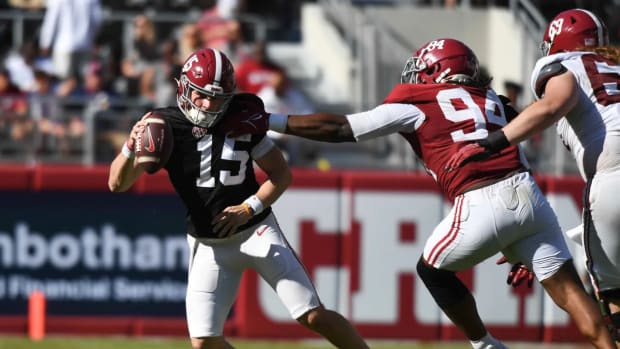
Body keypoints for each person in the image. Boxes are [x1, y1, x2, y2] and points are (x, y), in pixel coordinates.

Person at [226, 38, 616, 349]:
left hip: (481, 199)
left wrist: (271, 121)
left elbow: (343, 128)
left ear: (435, 70)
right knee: (583, 310)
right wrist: (519, 237)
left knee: (432, 271)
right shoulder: (494, 100)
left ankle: (484, 344)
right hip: (530, 197)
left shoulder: (418, 100)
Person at [107, 47, 369, 349]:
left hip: (256, 230)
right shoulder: (163, 125)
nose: (208, 104)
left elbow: (281, 175)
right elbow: (117, 183)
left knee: (311, 315)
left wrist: (248, 208)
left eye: (217, 97)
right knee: (204, 342)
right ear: (184, 88)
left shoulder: (240, 120)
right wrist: (130, 145)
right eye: (201, 95)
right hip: (209, 244)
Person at [445, 8, 620, 342]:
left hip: (610, 176)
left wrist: (494, 142)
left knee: (615, 298)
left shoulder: (562, 65)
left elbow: (557, 101)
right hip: (610, 180)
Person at [38, 0, 102, 96]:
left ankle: (66, 108)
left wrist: (45, 42)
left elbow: (51, 21)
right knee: (81, 82)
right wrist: (92, 38)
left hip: (63, 45)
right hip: (84, 44)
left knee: (63, 81)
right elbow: (97, 20)